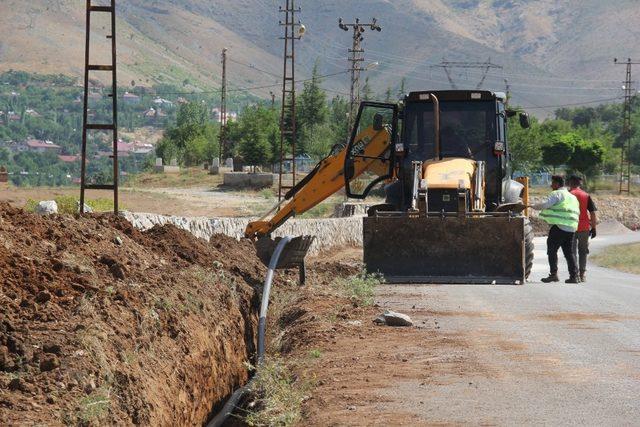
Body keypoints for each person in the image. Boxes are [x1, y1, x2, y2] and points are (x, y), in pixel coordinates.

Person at [530, 175, 581, 283]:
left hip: (559, 226)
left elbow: (546, 204)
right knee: (569, 253)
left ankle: (553, 274)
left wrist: (532, 206)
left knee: (552, 250)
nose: (551, 185)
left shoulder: (557, 193)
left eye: (552, 183)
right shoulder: (572, 197)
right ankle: (574, 276)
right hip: (571, 228)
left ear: (557, 184)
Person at [567, 175, 597, 282]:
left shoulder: (568, 195)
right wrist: (593, 228)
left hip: (571, 227)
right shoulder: (586, 195)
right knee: (583, 251)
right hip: (584, 227)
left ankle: (574, 275)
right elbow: (592, 213)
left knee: (572, 252)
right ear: (580, 184)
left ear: (570, 183)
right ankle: (582, 274)